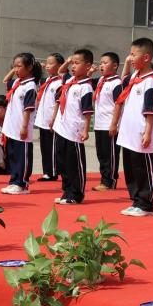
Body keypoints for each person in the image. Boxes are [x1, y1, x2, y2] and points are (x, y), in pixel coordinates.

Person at [113, 38, 153, 217]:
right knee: (131, 168)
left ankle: (146, 204)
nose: (130, 58)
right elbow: (122, 87)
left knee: (143, 168)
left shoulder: (150, 82)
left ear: (146, 57)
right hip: (128, 131)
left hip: (141, 132)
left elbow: (151, 111)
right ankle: (136, 200)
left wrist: (148, 132)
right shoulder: (135, 77)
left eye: (134, 54)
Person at [51, 49, 94, 205]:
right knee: (62, 163)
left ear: (88, 66)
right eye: (72, 63)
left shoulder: (86, 87)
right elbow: (61, 71)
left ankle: (76, 194)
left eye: (77, 63)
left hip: (74, 130)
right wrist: (68, 61)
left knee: (74, 164)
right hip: (62, 128)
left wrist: (85, 130)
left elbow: (87, 111)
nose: (73, 66)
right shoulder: (69, 81)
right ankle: (66, 192)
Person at [1, 53, 41, 194]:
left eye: (19, 66)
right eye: (14, 66)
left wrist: (24, 127)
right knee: (12, 156)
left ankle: (22, 184)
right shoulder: (17, 83)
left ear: (29, 67)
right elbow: (5, 81)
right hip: (11, 127)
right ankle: (14, 181)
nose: (16, 69)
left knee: (21, 157)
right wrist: (14, 69)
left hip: (21, 127)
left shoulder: (30, 86)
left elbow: (28, 109)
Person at [92, 52, 123, 191]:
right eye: (101, 63)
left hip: (109, 124)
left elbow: (118, 104)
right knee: (101, 154)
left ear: (115, 66)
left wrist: (114, 124)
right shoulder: (101, 81)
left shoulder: (116, 83)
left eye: (105, 63)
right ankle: (104, 180)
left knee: (110, 154)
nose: (101, 66)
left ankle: (110, 181)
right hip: (99, 124)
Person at [34, 53, 65, 182]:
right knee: (45, 147)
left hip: (52, 119)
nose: (47, 66)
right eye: (46, 63)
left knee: (52, 147)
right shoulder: (47, 80)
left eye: (51, 63)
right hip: (43, 119)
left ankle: (53, 172)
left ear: (60, 66)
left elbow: (58, 102)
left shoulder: (60, 82)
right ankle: (47, 171)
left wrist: (53, 118)